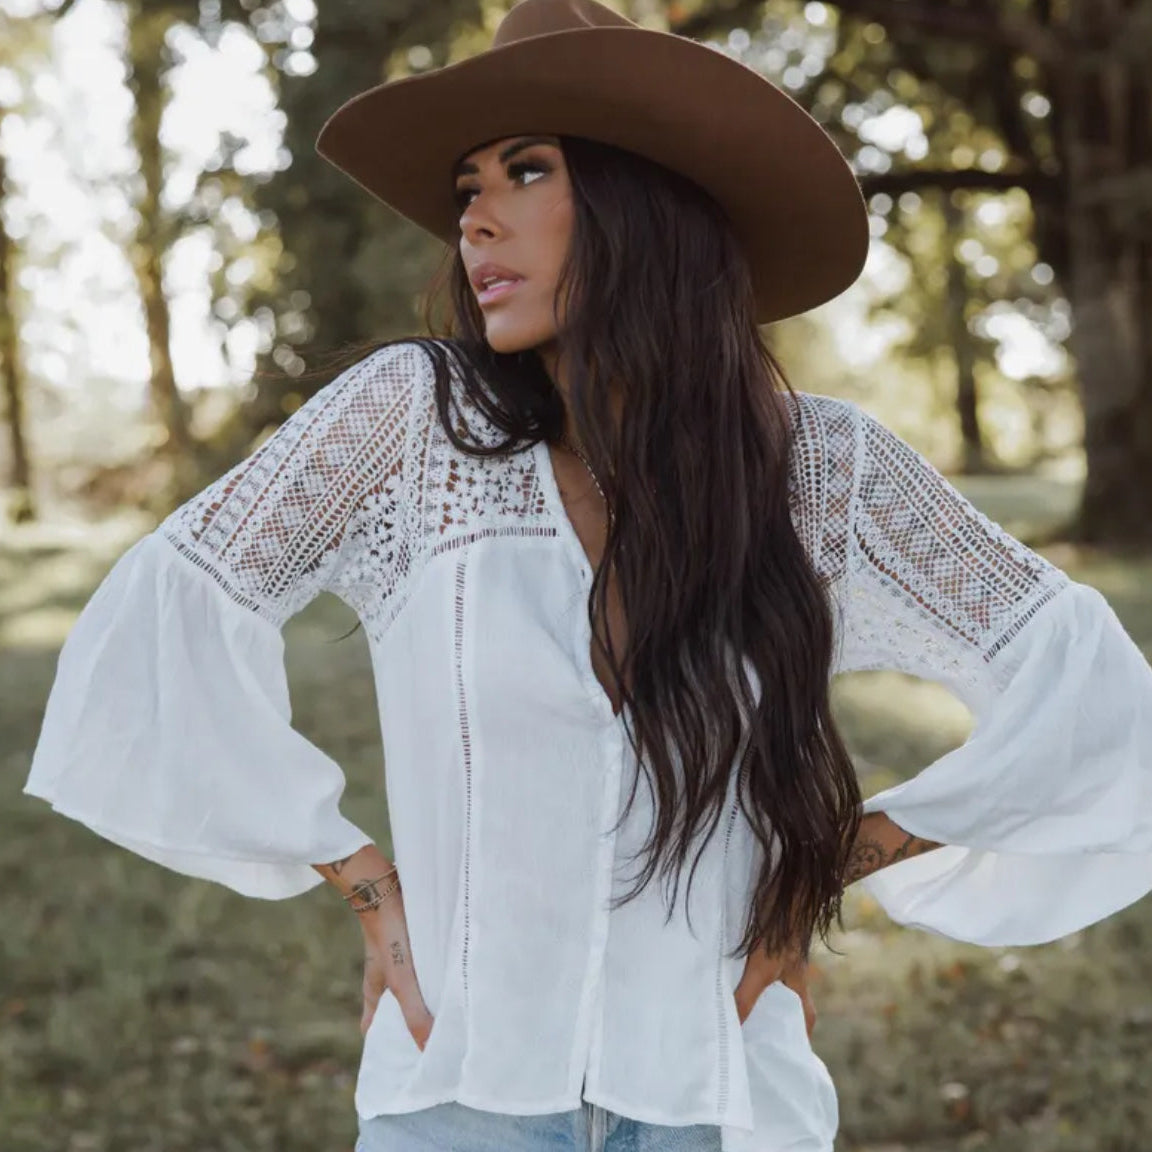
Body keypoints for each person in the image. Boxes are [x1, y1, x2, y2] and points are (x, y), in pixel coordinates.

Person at [23, 1, 1152, 1150]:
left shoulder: (823, 467)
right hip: (459, 1097)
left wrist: (824, 868)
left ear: (642, 200)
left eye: (526, 171)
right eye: (468, 189)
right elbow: (167, 610)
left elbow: (1088, 688)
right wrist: (368, 884)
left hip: (720, 1097)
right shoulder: (414, 425)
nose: (476, 220)